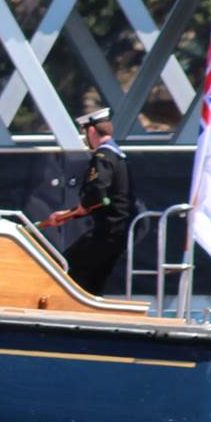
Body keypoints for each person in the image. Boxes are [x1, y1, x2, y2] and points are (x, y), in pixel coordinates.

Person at [41, 108, 134, 294]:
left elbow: (97, 193)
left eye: (84, 132)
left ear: (91, 131)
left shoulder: (103, 156)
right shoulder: (118, 155)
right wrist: (72, 212)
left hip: (106, 231)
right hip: (117, 232)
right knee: (91, 283)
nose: (85, 138)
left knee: (65, 268)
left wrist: (73, 212)